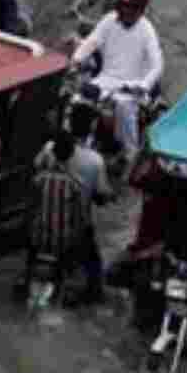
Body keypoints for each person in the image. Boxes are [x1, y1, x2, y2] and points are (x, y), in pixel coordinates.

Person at [68, 0, 164, 164]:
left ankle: (130, 152)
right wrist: (76, 60)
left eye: (132, 8)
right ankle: (78, 141)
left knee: (123, 108)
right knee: (78, 101)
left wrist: (143, 85)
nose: (127, 12)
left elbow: (157, 65)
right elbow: (91, 42)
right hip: (105, 80)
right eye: (125, 7)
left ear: (140, 9)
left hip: (131, 87)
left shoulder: (147, 30)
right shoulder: (109, 20)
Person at [32, 130, 112, 306]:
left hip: (40, 237)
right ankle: (95, 291)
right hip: (67, 239)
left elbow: (33, 207)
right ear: (71, 153)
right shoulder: (74, 184)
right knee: (92, 257)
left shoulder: (40, 179)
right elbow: (79, 217)